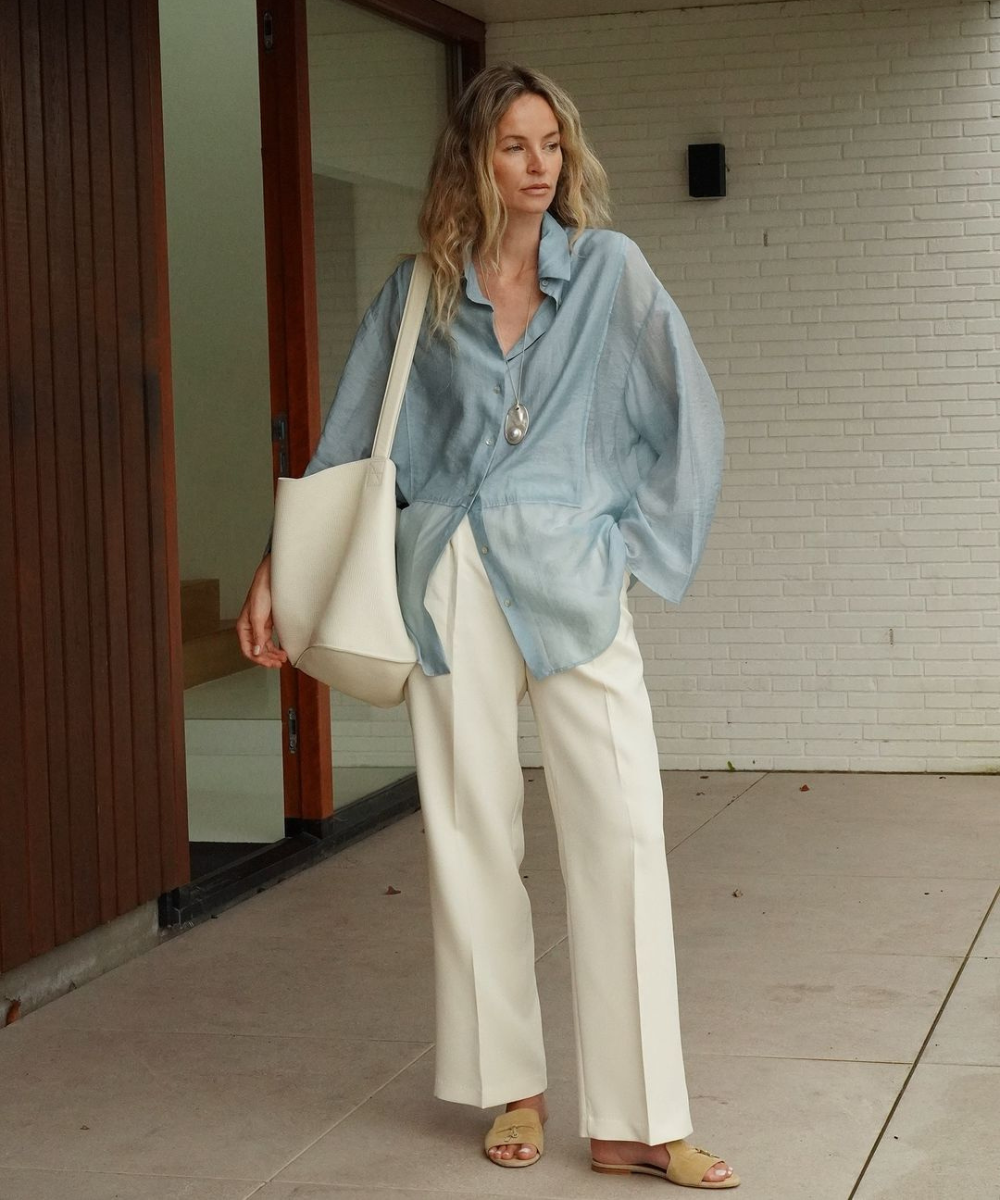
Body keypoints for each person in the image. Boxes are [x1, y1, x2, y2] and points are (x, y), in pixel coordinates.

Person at [236, 63, 736, 1190]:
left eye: (551, 143)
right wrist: (281, 568)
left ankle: (641, 1118)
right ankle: (515, 1086)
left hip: (572, 581)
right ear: (475, 157)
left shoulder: (611, 272)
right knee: (470, 839)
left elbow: (685, 416)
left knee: (623, 831)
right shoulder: (421, 290)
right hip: (453, 579)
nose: (538, 165)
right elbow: (351, 441)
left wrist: (629, 553)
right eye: (514, 144)